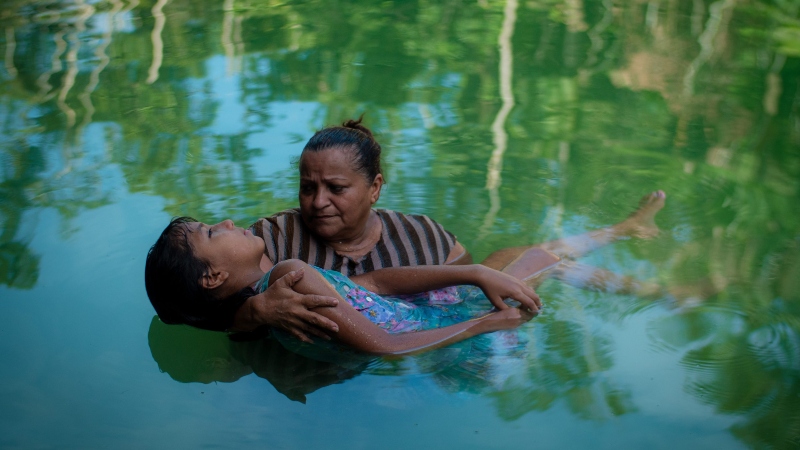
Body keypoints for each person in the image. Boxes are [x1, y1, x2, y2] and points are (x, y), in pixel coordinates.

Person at [229, 118, 669, 342]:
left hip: (419, 336)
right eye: (308, 187)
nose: (318, 201)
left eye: (336, 188)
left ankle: (645, 270)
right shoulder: (275, 237)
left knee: (541, 257)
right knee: (543, 256)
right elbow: (214, 303)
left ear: (375, 188)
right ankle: (628, 236)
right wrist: (254, 314)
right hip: (362, 362)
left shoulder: (422, 237)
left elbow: (463, 298)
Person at [144, 216, 558, 355]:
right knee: (547, 257)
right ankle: (618, 233)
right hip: (448, 334)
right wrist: (484, 324)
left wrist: (474, 273)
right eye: (213, 232)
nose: (229, 223)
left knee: (504, 259)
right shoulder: (289, 275)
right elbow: (389, 348)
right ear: (213, 276)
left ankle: (617, 236)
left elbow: (372, 282)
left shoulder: (263, 310)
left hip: (427, 323)